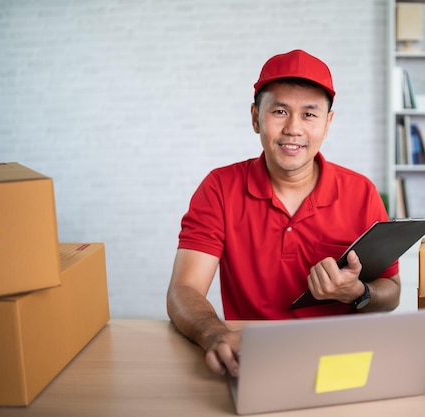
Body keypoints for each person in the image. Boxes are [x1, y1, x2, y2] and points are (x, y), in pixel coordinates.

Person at [166, 49, 401, 378]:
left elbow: (391, 291)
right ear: (255, 117)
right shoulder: (219, 187)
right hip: (254, 357)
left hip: (340, 359)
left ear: (327, 123)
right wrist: (214, 334)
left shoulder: (361, 192)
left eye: (309, 114)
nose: (293, 128)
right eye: (279, 111)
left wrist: (359, 293)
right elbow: (184, 289)